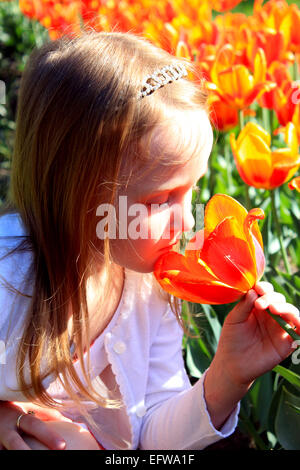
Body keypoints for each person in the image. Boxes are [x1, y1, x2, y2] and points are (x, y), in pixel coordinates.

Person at [0, 30, 299, 451]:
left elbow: (150, 438)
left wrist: (227, 376)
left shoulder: (153, 286)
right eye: (161, 200)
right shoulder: (9, 279)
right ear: (77, 191)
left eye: (193, 189)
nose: (187, 220)